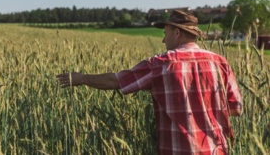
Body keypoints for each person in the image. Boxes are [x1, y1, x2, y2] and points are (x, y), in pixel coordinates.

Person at [56, 10, 243, 155]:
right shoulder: (220, 62)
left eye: (165, 33)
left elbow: (116, 81)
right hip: (217, 150)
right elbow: (236, 109)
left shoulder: (160, 64)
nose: (163, 39)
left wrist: (81, 78)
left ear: (177, 33)